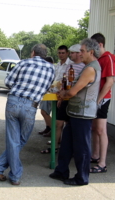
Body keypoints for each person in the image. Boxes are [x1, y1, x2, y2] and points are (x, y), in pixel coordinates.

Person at [0, 44, 55, 185]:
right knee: (21, 140)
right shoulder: (51, 68)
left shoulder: (23, 63)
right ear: (44, 55)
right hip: (31, 106)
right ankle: (14, 175)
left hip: (13, 102)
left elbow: (8, 82)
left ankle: (0, 167)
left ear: (33, 53)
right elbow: (47, 87)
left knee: (14, 141)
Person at [49, 38, 101, 186]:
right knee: (66, 143)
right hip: (76, 112)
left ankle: (82, 178)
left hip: (83, 113)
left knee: (81, 147)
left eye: (82, 51)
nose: (80, 53)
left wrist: (62, 94)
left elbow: (73, 92)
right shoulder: (88, 67)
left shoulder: (90, 69)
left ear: (91, 52)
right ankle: (61, 171)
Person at [41, 44, 85, 154]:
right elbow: (64, 83)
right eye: (60, 53)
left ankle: (72, 150)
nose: (70, 54)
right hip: (62, 97)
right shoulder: (66, 66)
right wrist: (61, 95)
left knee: (71, 125)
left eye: (72, 52)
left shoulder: (85, 67)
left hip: (75, 101)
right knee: (58, 123)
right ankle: (55, 147)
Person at [90, 33, 115, 173]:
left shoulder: (108, 58)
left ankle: (102, 163)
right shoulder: (99, 59)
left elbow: (110, 82)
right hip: (96, 98)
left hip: (102, 99)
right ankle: (95, 155)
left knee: (101, 130)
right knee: (94, 129)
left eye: (94, 47)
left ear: (100, 45)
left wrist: (98, 100)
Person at [38, 56, 54, 137]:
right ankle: (48, 128)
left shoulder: (53, 70)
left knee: (44, 112)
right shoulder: (45, 70)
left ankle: (53, 130)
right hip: (46, 94)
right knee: (44, 111)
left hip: (52, 94)